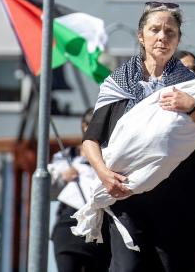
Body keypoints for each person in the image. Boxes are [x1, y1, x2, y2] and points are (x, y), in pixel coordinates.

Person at [82, 1, 195, 271]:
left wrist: (192, 106)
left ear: (178, 38)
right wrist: (104, 174)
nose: (162, 37)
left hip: (179, 201)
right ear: (141, 36)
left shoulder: (192, 86)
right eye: (155, 30)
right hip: (127, 195)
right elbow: (91, 140)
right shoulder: (118, 83)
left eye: (170, 32)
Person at [49, 109, 110, 272]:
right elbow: (48, 192)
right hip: (69, 225)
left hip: (99, 228)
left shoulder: (110, 155)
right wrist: (63, 177)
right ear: (85, 127)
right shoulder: (66, 156)